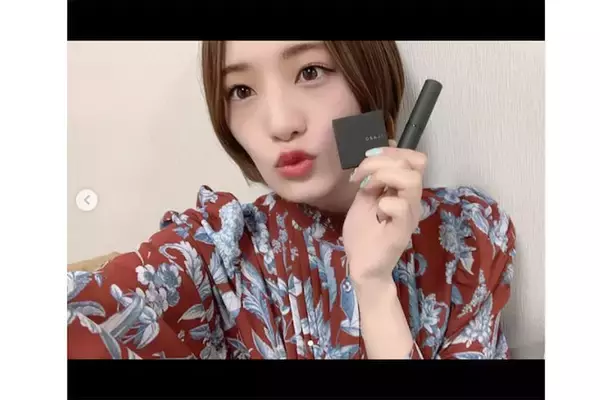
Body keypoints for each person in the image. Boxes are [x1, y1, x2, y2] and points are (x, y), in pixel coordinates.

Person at [67, 41, 516, 360]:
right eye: (241, 91)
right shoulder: (216, 250)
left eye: (311, 72)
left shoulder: (468, 237)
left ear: (369, 75)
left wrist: (374, 288)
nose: (281, 123)